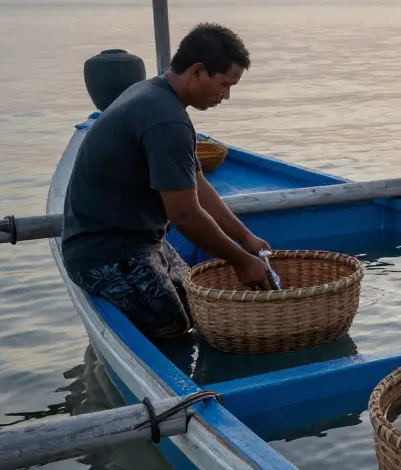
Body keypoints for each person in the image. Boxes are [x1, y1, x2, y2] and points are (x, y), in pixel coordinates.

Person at [61, 22, 274, 339]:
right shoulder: (166, 120)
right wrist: (241, 262)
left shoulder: (157, 97)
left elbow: (197, 185)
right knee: (174, 326)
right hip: (104, 253)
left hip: (142, 240)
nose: (226, 96)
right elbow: (185, 214)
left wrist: (244, 237)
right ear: (198, 71)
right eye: (225, 84)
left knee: (197, 306)